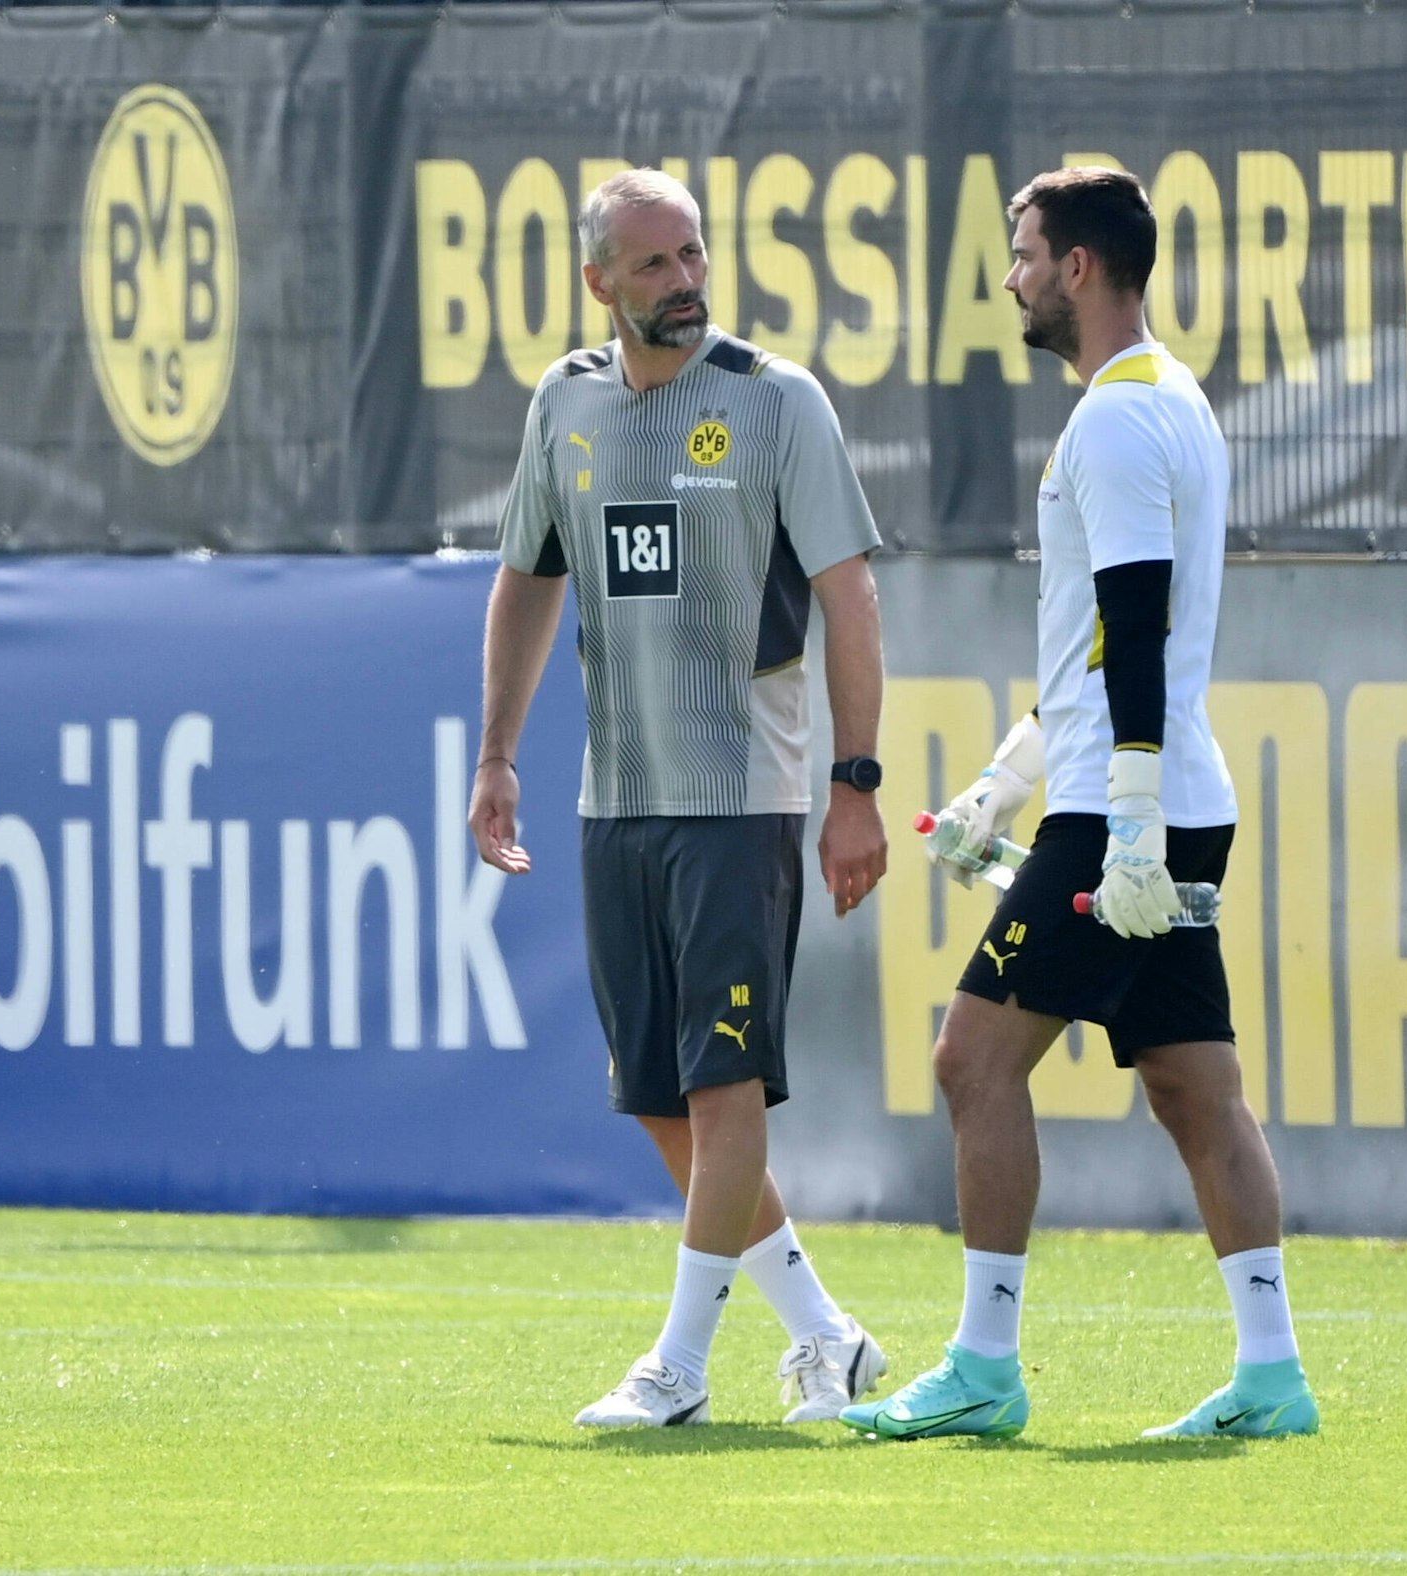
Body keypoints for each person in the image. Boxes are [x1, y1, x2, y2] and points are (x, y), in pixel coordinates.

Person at [841, 167, 1319, 1442]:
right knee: (1191, 1085)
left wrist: (1128, 826)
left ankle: (984, 1368)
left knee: (969, 1055)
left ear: (1082, 267)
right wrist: (1000, 789)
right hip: (1148, 795)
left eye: (1022, 253)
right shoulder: (1170, 401)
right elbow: (1099, 659)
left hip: (1129, 811)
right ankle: (1271, 1376)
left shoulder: (1112, 422)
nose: (1009, 280)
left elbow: (1136, 630)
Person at [469, 168, 890, 1429]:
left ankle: (682, 1366)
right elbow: (526, 578)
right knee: (657, 1093)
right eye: (652, 265)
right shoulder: (565, 403)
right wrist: (496, 755)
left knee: (722, 1086)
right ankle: (826, 1335)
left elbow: (849, 597)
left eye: (694, 255)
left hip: (741, 796)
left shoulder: (775, 405)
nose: (683, 282)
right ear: (599, 281)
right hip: (617, 799)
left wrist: (852, 785)